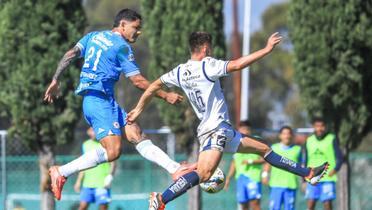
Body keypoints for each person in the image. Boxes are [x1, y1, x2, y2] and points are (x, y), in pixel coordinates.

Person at [126, 31, 329, 210]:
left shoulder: (179, 71)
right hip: (217, 129)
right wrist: (266, 50)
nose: (212, 51)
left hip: (218, 130)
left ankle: (308, 173)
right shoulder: (208, 65)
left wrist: (138, 109)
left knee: (264, 149)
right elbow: (238, 64)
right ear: (205, 48)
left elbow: (153, 86)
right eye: (211, 48)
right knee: (205, 174)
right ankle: (161, 199)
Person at [44, 8, 196, 200]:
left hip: (103, 100)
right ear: (122, 25)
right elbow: (138, 82)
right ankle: (62, 171)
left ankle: (175, 169)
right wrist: (165, 95)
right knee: (113, 151)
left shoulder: (93, 36)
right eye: (136, 27)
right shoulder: (122, 46)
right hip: (98, 101)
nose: (138, 32)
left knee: (136, 134)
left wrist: (56, 79)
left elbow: (70, 54)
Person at [302, 117, 343, 210]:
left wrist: (336, 169)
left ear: (325, 127)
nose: (319, 128)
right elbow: (304, 160)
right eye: (317, 126)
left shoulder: (331, 139)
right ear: (313, 127)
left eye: (322, 126)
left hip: (327, 177)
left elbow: (340, 157)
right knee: (311, 203)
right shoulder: (309, 140)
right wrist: (303, 180)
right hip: (312, 177)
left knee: (327, 203)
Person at [224, 121, 264, 210]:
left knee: (255, 204)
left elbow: (265, 159)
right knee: (243, 204)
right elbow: (234, 162)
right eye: (242, 129)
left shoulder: (257, 140)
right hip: (240, 178)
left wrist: (251, 161)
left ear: (250, 130)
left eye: (247, 129)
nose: (245, 131)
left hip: (253, 177)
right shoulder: (235, 142)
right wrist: (228, 178)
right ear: (238, 130)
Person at [74, 127, 116, 210]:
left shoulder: (106, 144)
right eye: (92, 130)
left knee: (103, 208)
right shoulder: (85, 145)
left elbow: (113, 163)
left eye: (95, 130)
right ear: (88, 132)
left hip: (102, 184)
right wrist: (78, 181)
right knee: (82, 207)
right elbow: (84, 164)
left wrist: (110, 177)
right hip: (87, 184)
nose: (94, 132)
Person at [262, 126, 301, 210]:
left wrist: (304, 181)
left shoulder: (298, 149)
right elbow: (268, 163)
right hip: (276, 185)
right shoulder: (274, 148)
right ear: (280, 136)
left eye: (288, 134)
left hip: (291, 185)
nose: (286, 136)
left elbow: (302, 166)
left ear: (292, 135)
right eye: (284, 134)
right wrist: (265, 175)